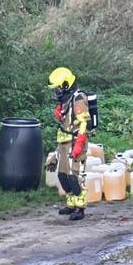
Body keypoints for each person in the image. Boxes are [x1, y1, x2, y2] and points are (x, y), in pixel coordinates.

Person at [47, 67, 90, 221]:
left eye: (57, 88)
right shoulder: (66, 101)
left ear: (65, 85)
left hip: (75, 142)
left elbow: (84, 122)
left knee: (75, 175)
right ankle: (71, 204)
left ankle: (80, 207)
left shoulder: (78, 98)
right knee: (63, 175)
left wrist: (79, 143)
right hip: (64, 142)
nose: (56, 92)